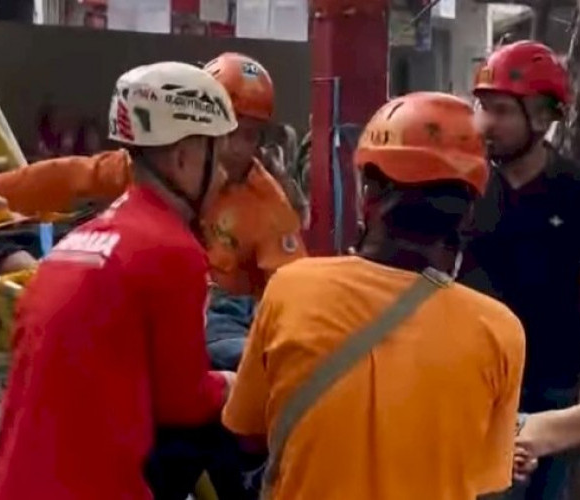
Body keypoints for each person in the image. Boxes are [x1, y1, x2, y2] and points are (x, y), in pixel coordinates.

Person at [222, 92, 526, 500]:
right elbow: (487, 481)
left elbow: (248, 436)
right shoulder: (499, 331)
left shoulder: (292, 289)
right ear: (468, 213)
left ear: (369, 194)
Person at [0, 62, 238, 500]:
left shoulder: (78, 241)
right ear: (183, 158)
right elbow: (184, 401)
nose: (221, 178)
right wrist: (237, 383)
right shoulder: (172, 250)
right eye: (216, 159)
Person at [0, 52, 306, 299]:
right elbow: (66, 176)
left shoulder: (271, 210)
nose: (233, 149)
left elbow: (291, 291)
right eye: (227, 133)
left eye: (249, 136)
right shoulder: (141, 170)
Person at [461, 40, 580, 499]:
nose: (486, 124)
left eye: (501, 111)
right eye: (483, 108)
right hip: (485, 386)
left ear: (541, 118)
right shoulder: (466, 189)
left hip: (558, 381)